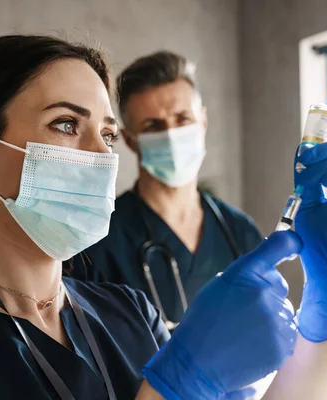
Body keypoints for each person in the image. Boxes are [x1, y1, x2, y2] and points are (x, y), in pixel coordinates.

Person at [0, 35, 327, 400]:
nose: (100, 154)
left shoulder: (128, 312)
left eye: (108, 133)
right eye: (67, 125)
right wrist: (176, 385)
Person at [69, 51, 264, 328]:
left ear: (203, 122)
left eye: (183, 119)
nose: (172, 135)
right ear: (129, 140)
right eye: (153, 126)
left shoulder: (239, 232)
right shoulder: (99, 241)